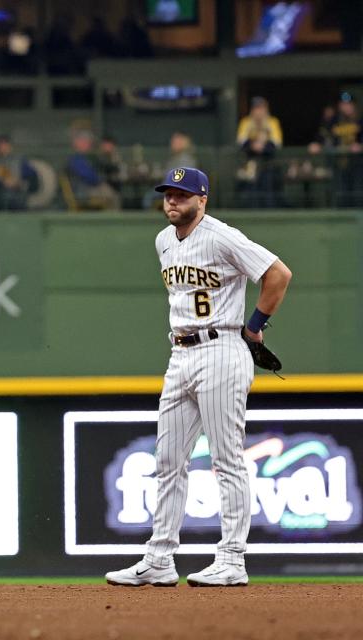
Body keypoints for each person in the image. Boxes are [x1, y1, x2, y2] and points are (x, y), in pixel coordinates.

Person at [106, 167, 292, 587]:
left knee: (227, 458)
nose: (172, 201)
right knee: (168, 460)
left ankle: (232, 559)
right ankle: (159, 558)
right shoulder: (162, 241)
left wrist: (255, 325)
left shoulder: (222, 235)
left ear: (202, 199)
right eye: (168, 194)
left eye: (182, 194)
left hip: (223, 348)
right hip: (181, 352)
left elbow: (278, 274)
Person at [0, 134, 39, 210]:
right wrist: (1, 181)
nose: (2, 147)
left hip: (18, 195)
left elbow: (33, 175)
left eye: (4, 145)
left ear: (10, 146)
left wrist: (19, 181)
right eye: (0, 145)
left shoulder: (20, 160)